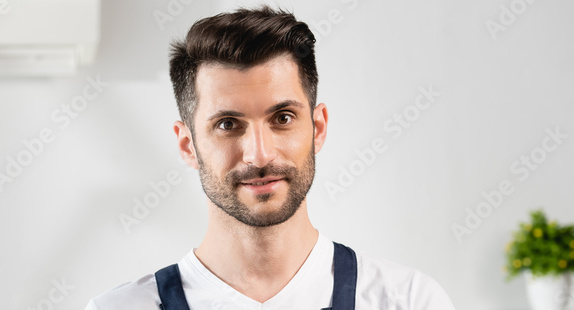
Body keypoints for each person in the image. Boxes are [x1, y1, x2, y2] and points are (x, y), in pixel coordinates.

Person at [86, 6, 455, 310]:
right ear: (188, 145)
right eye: (228, 123)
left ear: (318, 128)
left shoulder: (408, 300)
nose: (259, 154)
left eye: (282, 118)